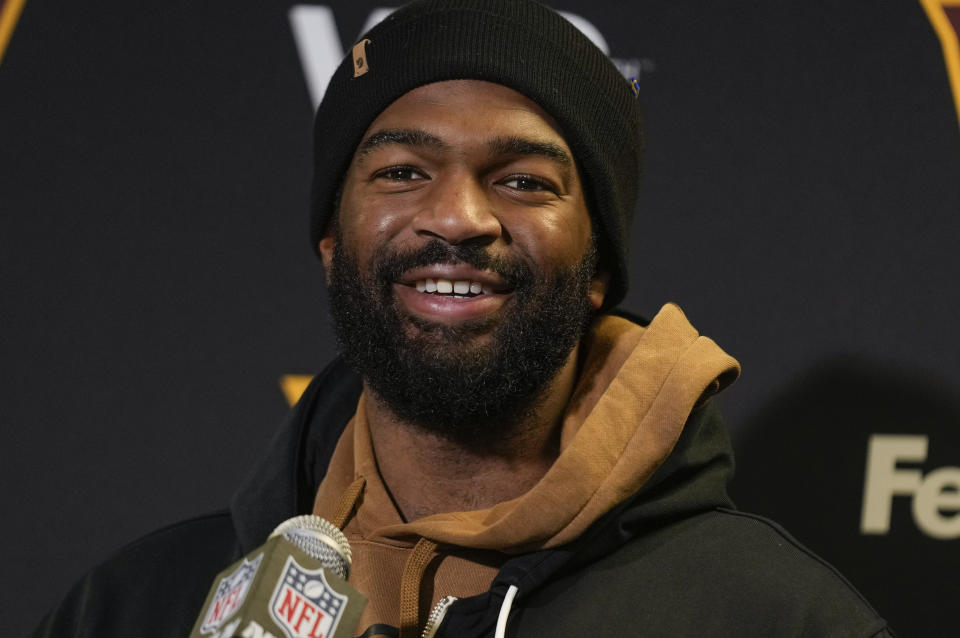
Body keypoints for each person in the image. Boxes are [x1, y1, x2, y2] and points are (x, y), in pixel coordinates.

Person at [35, 1, 894, 636]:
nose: (456, 217)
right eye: (403, 171)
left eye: (523, 180)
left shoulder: (775, 619)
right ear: (331, 239)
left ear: (598, 267)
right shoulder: (142, 604)